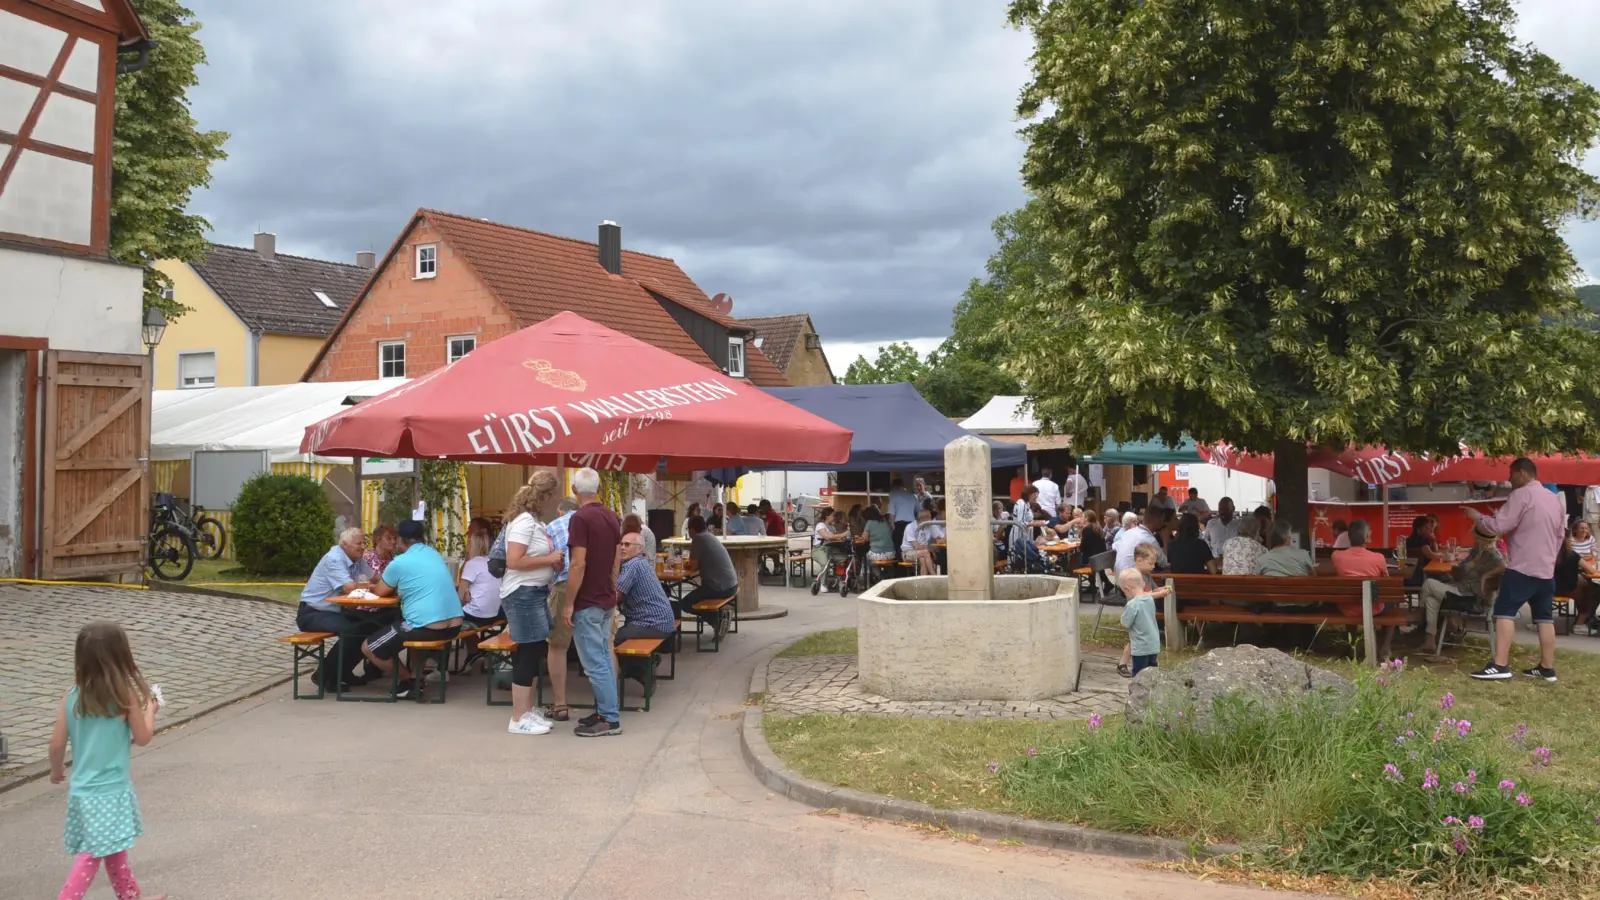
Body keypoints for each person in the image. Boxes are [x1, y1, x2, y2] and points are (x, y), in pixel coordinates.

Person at [48, 622, 166, 900]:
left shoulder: (72, 696)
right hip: (110, 791)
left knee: (113, 850)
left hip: (82, 790)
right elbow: (143, 736)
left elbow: (56, 745)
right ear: (121, 656)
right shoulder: (124, 696)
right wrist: (151, 709)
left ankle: (130, 896)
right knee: (93, 854)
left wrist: (56, 771)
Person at [1464, 458, 1566, 682]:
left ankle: (1500, 665)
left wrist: (1477, 517)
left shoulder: (1521, 495)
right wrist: (1549, 558)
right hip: (1546, 570)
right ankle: (1547, 668)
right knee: (1544, 618)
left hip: (1523, 567)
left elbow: (1499, 526)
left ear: (1522, 472)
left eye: (1511, 474)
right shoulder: (1554, 499)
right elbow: (1560, 535)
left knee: (1504, 612)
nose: (1508, 479)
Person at [363, 520, 465, 699]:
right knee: (412, 635)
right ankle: (414, 677)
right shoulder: (434, 555)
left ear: (401, 541)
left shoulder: (400, 562)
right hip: (454, 625)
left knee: (368, 647)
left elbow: (380, 591)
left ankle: (410, 680)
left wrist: (368, 586)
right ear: (422, 538)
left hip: (429, 626)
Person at [498, 475, 563, 735]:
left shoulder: (535, 522)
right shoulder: (524, 522)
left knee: (535, 650)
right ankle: (518, 717)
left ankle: (527, 710)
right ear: (546, 496)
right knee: (526, 653)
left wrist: (551, 562)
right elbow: (513, 561)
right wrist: (549, 558)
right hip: (522, 593)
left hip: (534, 592)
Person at [565, 467, 624, 736]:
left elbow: (577, 563)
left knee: (594, 662)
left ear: (574, 490)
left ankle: (610, 718)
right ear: (599, 488)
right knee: (602, 654)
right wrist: (611, 584)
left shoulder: (579, 518)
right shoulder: (611, 516)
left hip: (587, 600)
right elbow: (616, 557)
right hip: (605, 597)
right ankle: (604, 710)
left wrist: (568, 603)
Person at [296, 527, 375, 689]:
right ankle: (324, 676)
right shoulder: (334, 559)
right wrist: (374, 587)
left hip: (335, 611)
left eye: (364, 543)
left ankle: (344, 671)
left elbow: (375, 579)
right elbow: (349, 588)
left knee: (370, 626)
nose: (362, 547)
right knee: (352, 630)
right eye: (358, 543)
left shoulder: (358, 559)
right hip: (313, 612)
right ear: (344, 545)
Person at [1417, 521, 1505, 657]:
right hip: (1463, 592)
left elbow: (1504, 566)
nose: (1474, 539)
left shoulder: (1492, 554)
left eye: (1476, 537)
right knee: (1431, 599)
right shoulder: (1481, 552)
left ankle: (1419, 615)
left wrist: (1485, 575)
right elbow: (1462, 572)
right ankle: (1430, 642)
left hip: (1470, 599)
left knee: (1428, 583)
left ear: (1480, 539)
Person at [542, 497, 580, 723]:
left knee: (557, 646)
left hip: (565, 583)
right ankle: (607, 704)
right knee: (604, 644)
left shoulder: (551, 527)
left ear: (559, 512)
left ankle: (560, 705)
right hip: (595, 584)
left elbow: (550, 561)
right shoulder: (591, 522)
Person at [615, 529, 677, 658]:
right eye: (621, 544)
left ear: (639, 549)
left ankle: (640, 670)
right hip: (662, 621)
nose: (622, 548)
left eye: (627, 545)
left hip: (654, 624)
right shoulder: (642, 562)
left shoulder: (633, 565)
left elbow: (616, 595)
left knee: (612, 638)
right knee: (622, 631)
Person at [683, 514, 738, 640]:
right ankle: (719, 618)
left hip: (719, 587)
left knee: (685, 604)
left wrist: (686, 564)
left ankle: (717, 620)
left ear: (692, 529)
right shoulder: (709, 536)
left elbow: (693, 566)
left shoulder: (699, 539)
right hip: (731, 584)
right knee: (697, 596)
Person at [456, 526, 503, 629]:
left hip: (475, 615)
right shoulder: (494, 563)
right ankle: (474, 645)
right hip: (494, 613)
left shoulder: (472, 563)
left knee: (450, 617)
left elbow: (460, 594)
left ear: (471, 545)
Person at [1118, 568, 1161, 676]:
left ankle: (1138, 692)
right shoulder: (1150, 599)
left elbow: (1124, 625)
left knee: (1139, 674)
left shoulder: (1132, 604)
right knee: (1152, 673)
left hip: (1140, 646)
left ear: (1127, 589)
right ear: (1143, 584)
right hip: (1153, 644)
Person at [902, 509, 943, 575]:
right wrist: (930, 549)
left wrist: (941, 540)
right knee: (926, 553)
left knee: (922, 559)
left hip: (922, 553)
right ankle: (933, 574)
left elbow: (940, 538)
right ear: (924, 519)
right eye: (930, 517)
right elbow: (917, 546)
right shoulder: (910, 527)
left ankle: (924, 580)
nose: (931, 519)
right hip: (908, 552)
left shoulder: (930, 525)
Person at [1404, 516, 1442, 586]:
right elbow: (1431, 555)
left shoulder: (1408, 540)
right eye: (1426, 527)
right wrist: (1442, 555)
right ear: (1418, 529)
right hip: (1423, 576)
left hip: (1408, 576)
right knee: (1447, 577)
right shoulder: (1422, 540)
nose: (1429, 529)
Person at [887, 476, 919, 551]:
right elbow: (919, 510)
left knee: (898, 547)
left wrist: (892, 526)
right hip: (912, 524)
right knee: (911, 546)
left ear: (894, 486)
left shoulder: (893, 494)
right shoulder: (911, 495)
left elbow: (891, 513)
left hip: (899, 525)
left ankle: (900, 561)